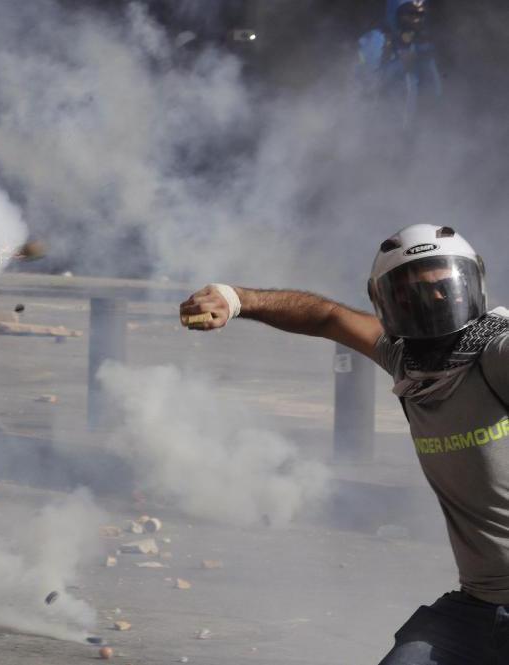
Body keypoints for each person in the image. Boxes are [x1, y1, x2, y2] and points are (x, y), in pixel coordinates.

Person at [179, 223, 509, 664]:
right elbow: (327, 317)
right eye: (413, 293)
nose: (433, 303)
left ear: (471, 285)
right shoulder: (404, 360)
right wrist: (235, 298)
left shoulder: (496, 353)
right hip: (479, 606)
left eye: (443, 288)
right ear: (389, 303)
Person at [356, 0, 442, 131]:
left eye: (420, 15)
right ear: (396, 14)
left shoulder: (420, 45)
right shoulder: (376, 39)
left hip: (412, 132)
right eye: (410, 14)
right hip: (379, 129)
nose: (416, 20)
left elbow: (435, 92)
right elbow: (366, 87)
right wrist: (399, 65)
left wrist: (425, 59)